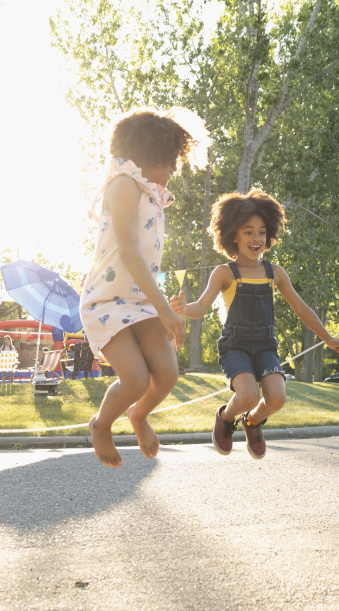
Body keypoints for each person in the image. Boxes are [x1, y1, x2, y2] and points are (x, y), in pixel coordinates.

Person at [172, 190, 339, 459]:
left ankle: (252, 422)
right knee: (248, 396)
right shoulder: (224, 273)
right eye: (248, 232)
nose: (256, 239)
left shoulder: (275, 272)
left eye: (262, 232)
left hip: (266, 346)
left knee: (277, 399)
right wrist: (184, 309)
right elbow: (200, 308)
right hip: (235, 347)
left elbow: (302, 308)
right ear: (233, 235)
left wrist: (328, 338)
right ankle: (226, 416)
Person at [79, 107, 206, 467]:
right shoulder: (121, 186)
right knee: (134, 379)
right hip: (105, 299)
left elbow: (147, 264)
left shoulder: (151, 195)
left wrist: (164, 304)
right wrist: (163, 307)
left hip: (140, 299)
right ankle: (101, 425)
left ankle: (138, 416)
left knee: (167, 373)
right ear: (149, 157)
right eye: (169, 162)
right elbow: (130, 253)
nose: (172, 170)